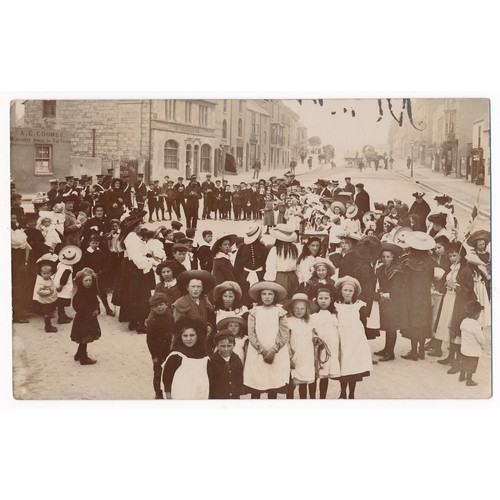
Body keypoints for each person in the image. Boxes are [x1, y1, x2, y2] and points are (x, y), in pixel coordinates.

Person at [434, 242, 476, 373]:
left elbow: (469, 290)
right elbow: (442, 284)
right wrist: (445, 284)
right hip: (448, 300)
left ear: (461, 255)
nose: (452, 258)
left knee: (455, 329)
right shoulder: (451, 268)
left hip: (458, 303)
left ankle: (458, 362)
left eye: (454, 255)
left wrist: (455, 287)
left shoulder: (465, 270)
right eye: (450, 256)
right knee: (447, 327)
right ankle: (450, 357)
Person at [244, 281, 290, 399]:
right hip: (258, 352)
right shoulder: (254, 312)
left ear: (275, 296)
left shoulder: (280, 312)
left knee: (272, 383)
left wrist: (273, 350)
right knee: (257, 383)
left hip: (275, 352)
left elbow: (284, 334)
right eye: (264, 294)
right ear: (260, 296)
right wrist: (263, 351)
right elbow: (251, 334)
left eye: (270, 294)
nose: (267, 297)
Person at [112, 209, 155, 333]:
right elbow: (137, 259)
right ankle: (140, 324)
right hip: (136, 271)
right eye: (139, 224)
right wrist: (150, 263)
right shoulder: (131, 238)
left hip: (132, 269)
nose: (141, 226)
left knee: (133, 296)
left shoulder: (132, 237)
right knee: (141, 296)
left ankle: (133, 321)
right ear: (134, 226)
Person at [399, 231, 436, 361]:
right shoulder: (431, 261)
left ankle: (414, 351)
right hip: (424, 295)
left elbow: (405, 280)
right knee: (423, 322)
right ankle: (421, 350)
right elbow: (432, 278)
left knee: (412, 322)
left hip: (411, 295)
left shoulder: (409, 261)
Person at [334, 276, 372, 399]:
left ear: (354, 292)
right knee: (343, 366)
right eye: (345, 290)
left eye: (350, 291)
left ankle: (352, 393)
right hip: (341, 339)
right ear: (341, 291)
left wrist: (360, 339)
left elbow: (363, 323)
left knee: (354, 367)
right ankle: (343, 392)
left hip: (355, 341)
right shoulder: (336, 306)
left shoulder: (359, 306)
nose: (347, 293)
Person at [374, 242, 407, 362]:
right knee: (387, 325)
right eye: (383, 257)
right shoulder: (381, 269)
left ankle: (390, 352)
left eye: (388, 257)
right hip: (384, 300)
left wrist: (384, 295)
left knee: (391, 326)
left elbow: (397, 290)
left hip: (394, 301)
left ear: (392, 257)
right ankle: (386, 349)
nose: (385, 259)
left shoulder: (396, 271)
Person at [163, 317, 210, 399]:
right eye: (185, 336)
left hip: (200, 394)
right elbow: (167, 377)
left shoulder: (204, 356)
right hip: (180, 393)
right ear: (180, 337)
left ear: (197, 336)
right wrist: (168, 395)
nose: (189, 339)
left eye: (192, 335)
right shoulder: (176, 355)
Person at [284, 293, 318, 399]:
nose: (299, 311)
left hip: (306, 356)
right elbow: (286, 341)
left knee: (304, 382)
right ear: (292, 309)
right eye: (296, 308)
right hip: (294, 356)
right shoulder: (288, 321)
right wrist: (289, 357)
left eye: (302, 308)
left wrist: (316, 339)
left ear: (306, 309)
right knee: (291, 384)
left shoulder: (310, 322)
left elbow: (314, 335)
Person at [309, 284, 340, 398]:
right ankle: (312, 397)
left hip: (329, 348)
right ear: (316, 299)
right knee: (314, 373)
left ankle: (323, 398)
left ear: (331, 300)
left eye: (326, 298)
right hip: (316, 347)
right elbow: (310, 329)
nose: (323, 301)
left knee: (324, 373)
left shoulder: (334, 314)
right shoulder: (313, 314)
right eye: (320, 298)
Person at [172, 270, 216, 349]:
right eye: (193, 286)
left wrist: (209, 325)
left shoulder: (205, 302)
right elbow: (179, 325)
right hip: (188, 341)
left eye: (198, 286)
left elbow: (210, 318)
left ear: (202, 288)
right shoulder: (180, 303)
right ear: (187, 288)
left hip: (204, 339)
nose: (195, 289)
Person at [71, 268, 101, 365]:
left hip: (90, 318)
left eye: (90, 280)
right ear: (81, 281)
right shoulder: (80, 294)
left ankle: (79, 353)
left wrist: (96, 309)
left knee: (85, 337)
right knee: (84, 337)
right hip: (83, 319)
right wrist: (88, 313)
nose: (88, 282)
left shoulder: (91, 291)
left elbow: (96, 301)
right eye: (86, 280)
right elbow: (78, 306)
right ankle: (83, 358)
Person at [146, 292, 174, 399]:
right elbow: (150, 341)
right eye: (155, 306)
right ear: (152, 308)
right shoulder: (152, 321)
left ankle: (170, 390)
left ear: (167, 304)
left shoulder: (171, 317)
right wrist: (154, 356)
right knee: (158, 372)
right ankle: (158, 392)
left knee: (170, 372)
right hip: (158, 351)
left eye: (161, 304)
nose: (159, 308)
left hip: (170, 350)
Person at [234, 224, 269, 307]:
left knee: (245, 297)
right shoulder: (263, 248)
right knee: (259, 296)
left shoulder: (242, 248)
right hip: (260, 275)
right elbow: (266, 264)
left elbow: (237, 266)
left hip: (245, 276)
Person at [264, 224, 299, 300]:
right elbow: (297, 265)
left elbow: (270, 266)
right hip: (293, 277)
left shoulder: (276, 249)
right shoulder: (294, 249)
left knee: (281, 299)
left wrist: (269, 281)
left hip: (280, 278)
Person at [209, 330, 244, 399]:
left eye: (229, 346)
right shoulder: (212, 361)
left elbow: (239, 377)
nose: (226, 349)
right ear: (217, 345)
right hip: (218, 396)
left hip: (234, 396)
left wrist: (238, 391)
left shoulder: (236, 359)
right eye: (222, 346)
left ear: (234, 345)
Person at [458, 300, 486, 386]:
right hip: (473, 351)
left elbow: (461, 330)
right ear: (475, 314)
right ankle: (469, 380)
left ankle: (462, 376)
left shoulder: (464, 322)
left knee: (463, 363)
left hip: (464, 349)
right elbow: (480, 339)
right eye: (479, 314)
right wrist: (483, 344)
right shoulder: (475, 326)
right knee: (471, 366)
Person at [33, 254, 59, 333]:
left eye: (48, 273)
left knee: (49, 312)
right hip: (45, 300)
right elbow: (39, 291)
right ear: (41, 273)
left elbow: (53, 286)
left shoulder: (50, 279)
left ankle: (49, 324)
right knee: (47, 313)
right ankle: (48, 326)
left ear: (51, 273)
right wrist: (48, 292)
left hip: (50, 299)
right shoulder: (42, 281)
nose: (46, 275)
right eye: (44, 273)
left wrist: (54, 291)